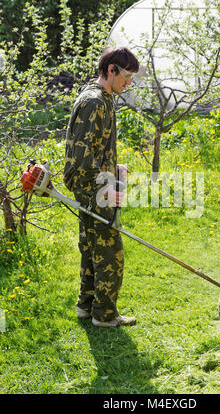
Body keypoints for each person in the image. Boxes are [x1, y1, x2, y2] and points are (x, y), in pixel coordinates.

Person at [63, 47, 139, 327]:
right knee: (110, 251)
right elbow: (82, 156)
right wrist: (104, 186)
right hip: (90, 184)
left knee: (92, 246)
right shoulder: (94, 101)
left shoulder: (105, 98)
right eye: (127, 75)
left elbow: (98, 147)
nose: (128, 82)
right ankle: (105, 316)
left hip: (94, 180)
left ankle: (86, 306)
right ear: (111, 70)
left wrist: (115, 169)